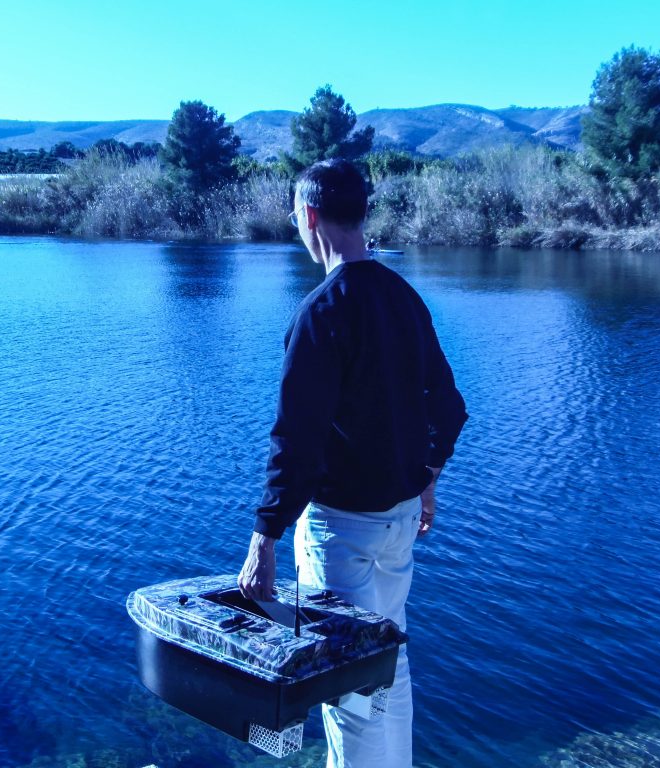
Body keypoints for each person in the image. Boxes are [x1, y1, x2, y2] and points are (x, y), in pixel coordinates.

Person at [238, 159, 467, 768]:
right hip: (397, 525)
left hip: (341, 533)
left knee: (349, 689)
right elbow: (449, 409)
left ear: (310, 217)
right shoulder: (404, 298)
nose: (297, 228)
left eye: (295, 217)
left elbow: (297, 441)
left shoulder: (320, 311)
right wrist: (427, 481)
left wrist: (265, 536)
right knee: (388, 662)